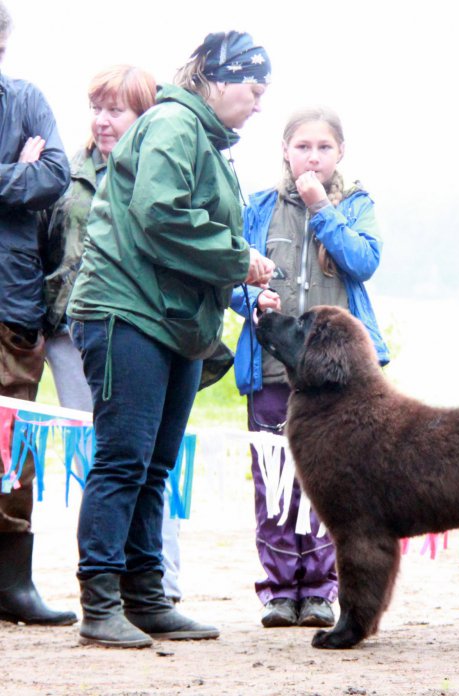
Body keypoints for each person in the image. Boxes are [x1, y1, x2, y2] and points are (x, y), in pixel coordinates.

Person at [66, 31, 275, 649]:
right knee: (123, 460)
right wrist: (238, 256)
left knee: (156, 466)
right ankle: (100, 604)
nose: (259, 103)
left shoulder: (207, 141)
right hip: (126, 311)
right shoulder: (173, 125)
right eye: (254, 88)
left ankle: (147, 597)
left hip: (177, 320)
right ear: (218, 76)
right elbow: (161, 213)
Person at [231, 106, 389, 628]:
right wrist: (250, 299)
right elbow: (230, 274)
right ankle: (280, 590)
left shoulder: (356, 205)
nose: (312, 156)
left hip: (341, 378)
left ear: (339, 152)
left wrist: (323, 208)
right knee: (274, 479)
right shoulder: (257, 208)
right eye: (303, 146)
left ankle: (321, 590)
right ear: (284, 149)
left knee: (334, 485)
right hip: (273, 368)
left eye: (323, 147)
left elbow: (363, 262)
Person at [39, 65, 184, 604]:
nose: (102, 120)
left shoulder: (162, 171)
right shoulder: (67, 172)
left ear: (145, 116)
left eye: (115, 110)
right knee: (104, 460)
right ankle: (102, 588)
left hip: (141, 328)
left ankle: (157, 584)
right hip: (68, 334)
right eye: (96, 108)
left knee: (143, 458)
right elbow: (42, 248)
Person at [0, 0, 76, 627]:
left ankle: (12, 586)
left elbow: (55, 176)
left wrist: (30, 170)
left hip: (11, 303)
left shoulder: (26, 100)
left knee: (12, 445)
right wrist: (10, 173)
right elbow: (27, 178)